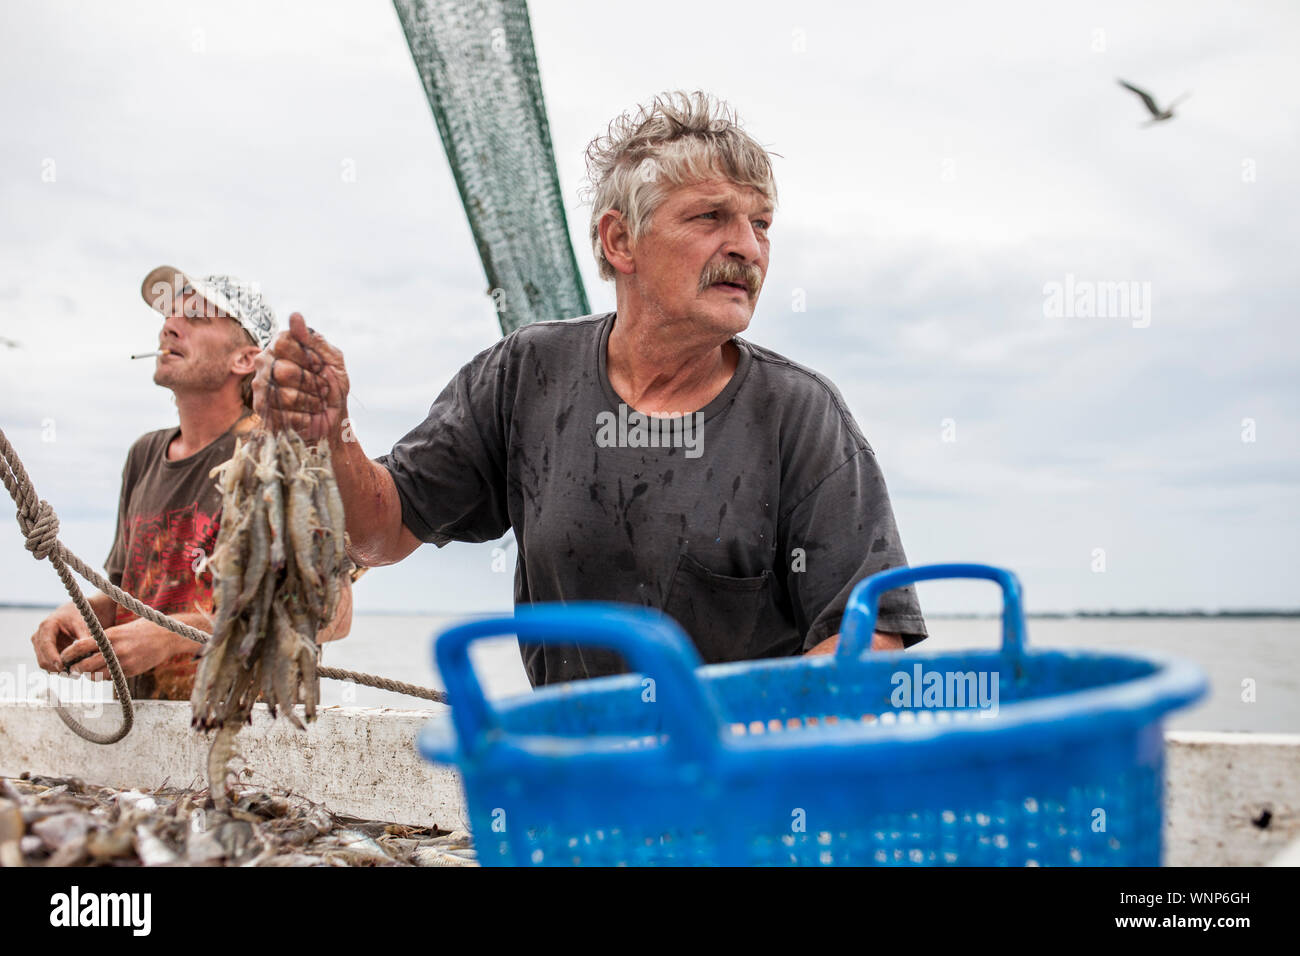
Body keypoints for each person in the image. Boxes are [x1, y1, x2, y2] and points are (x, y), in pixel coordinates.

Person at [255, 91, 925, 686]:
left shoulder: (801, 416)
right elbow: (379, 533)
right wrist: (329, 435)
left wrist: (731, 740)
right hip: (579, 791)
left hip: (741, 794)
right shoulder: (527, 375)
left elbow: (871, 642)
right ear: (619, 241)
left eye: (762, 223)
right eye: (710, 217)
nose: (747, 247)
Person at [30, 266, 352, 700]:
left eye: (196, 317)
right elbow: (133, 597)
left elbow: (333, 616)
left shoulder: (282, 457)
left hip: (250, 739)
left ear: (245, 360)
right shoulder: (144, 455)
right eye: (168, 316)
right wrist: (81, 614)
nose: (169, 326)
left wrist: (172, 636)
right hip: (146, 735)